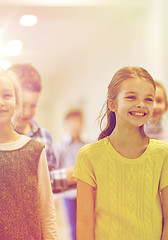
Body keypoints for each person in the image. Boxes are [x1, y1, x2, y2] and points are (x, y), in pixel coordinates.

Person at [74, 66, 168, 240]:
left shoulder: (165, 153)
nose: (141, 104)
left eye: (148, 99)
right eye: (131, 97)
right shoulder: (89, 156)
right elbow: (85, 222)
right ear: (112, 104)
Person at [0, 69, 58, 239]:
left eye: (6, 95)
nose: (1, 102)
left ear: (17, 101)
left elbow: (47, 211)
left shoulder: (35, 150)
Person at [8, 63, 76, 192]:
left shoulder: (45, 137)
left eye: (33, 105)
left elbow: (49, 187)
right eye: (22, 104)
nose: (27, 112)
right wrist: (64, 176)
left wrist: (72, 178)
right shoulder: (4, 136)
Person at [55, 108, 88, 240]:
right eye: (71, 122)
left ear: (82, 123)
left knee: (86, 223)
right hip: (68, 193)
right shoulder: (60, 146)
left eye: (77, 122)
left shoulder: (88, 144)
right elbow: (55, 170)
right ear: (66, 124)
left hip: (85, 191)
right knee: (73, 226)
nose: (75, 125)